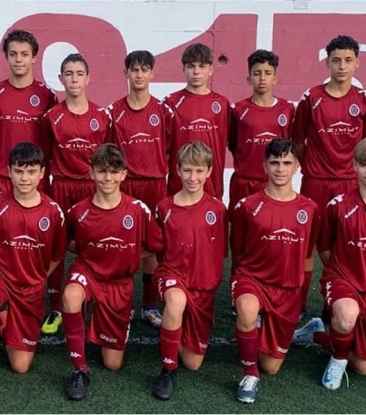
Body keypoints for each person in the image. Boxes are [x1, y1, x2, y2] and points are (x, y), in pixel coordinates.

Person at [292, 136, 366, 390]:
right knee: (346, 316)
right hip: (342, 280)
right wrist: (343, 270)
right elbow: (324, 248)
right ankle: (337, 360)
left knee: (362, 366)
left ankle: (317, 334)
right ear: (354, 166)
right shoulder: (339, 206)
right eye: (364, 165)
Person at [0, 142, 66, 403]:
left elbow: (57, 255)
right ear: (8, 171)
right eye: (19, 171)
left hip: (30, 287)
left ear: (42, 173)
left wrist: (39, 277)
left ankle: (5, 318)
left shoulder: (53, 212)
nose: (25, 178)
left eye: (31, 171)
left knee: (20, 366)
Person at [61, 143, 162, 400]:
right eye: (102, 171)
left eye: (114, 172)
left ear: (124, 174)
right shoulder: (78, 211)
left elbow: (154, 246)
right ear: (91, 173)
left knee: (113, 363)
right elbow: (66, 241)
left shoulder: (138, 210)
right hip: (88, 273)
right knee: (71, 295)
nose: (108, 178)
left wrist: (127, 255)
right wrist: (89, 253)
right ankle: (79, 369)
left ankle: (104, 322)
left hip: (119, 283)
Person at [292, 35, 366, 318]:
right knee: (307, 246)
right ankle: (300, 303)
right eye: (336, 60)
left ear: (357, 64)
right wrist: (312, 168)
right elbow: (298, 141)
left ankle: (334, 301)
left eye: (348, 60)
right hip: (315, 183)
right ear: (327, 63)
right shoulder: (311, 97)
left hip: (349, 185)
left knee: (342, 247)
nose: (342, 66)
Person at [229, 139, 319, 404]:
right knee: (247, 309)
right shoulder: (247, 206)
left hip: (286, 289)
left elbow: (307, 255)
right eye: (274, 163)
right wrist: (238, 288)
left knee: (271, 366)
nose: (280, 169)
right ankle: (249, 375)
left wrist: (301, 298)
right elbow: (238, 252)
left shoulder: (309, 209)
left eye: (286, 163)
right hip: (252, 280)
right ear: (264, 166)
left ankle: (308, 333)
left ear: (297, 167)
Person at [41, 53, 112, 335]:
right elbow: (45, 155)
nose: (74, 79)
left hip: (90, 187)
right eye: (68, 74)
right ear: (61, 79)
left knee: (93, 243)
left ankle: (94, 299)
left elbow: (108, 158)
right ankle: (56, 307)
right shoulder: (51, 117)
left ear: (88, 79)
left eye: (79, 73)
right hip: (61, 185)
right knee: (57, 246)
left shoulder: (101, 117)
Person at [151, 141, 228, 401]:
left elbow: (220, 253)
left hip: (203, 288)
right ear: (177, 170)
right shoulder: (164, 207)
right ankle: (167, 370)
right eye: (187, 170)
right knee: (175, 300)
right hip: (173, 276)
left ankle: (176, 326)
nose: (192, 177)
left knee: (193, 363)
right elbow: (158, 249)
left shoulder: (218, 209)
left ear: (209, 171)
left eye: (198, 171)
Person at [108, 50, 174, 329]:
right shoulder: (114, 111)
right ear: (125, 73)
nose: (139, 75)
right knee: (120, 244)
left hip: (154, 184)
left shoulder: (163, 111)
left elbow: (169, 149)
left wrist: (154, 168)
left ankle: (148, 305)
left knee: (153, 246)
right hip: (125, 186)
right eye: (134, 69)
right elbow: (110, 152)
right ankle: (120, 303)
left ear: (152, 74)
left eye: (144, 69)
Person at [0, 29, 57, 195]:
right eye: (13, 54)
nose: (18, 60)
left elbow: (54, 135)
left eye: (24, 54)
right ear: (6, 57)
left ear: (34, 58)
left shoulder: (47, 95)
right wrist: (1, 148)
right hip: (4, 174)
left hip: (35, 175)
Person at [227, 49, 295, 212]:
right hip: (244, 181)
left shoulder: (287, 109)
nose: (262, 78)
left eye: (267, 73)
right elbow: (233, 144)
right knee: (239, 226)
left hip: (274, 181)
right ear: (249, 79)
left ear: (275, 78)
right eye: (257, 73)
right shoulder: (238, 110)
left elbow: (291, 143)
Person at [164, 43, 230, 199]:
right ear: (183, 69)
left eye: (202, 66)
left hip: (212, 185)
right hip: (179, 185)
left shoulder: (222, 104)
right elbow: (165, 148)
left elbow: (230, 142)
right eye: (191, 66)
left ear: (211, 70)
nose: (196, 72)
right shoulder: (171, 102)